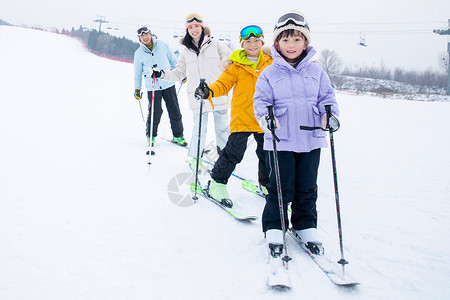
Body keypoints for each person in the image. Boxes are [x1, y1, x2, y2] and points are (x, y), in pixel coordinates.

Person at [253, 12, 339, 261]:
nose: (291, 46)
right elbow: (260, 102)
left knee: (307, 187)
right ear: (277, 44)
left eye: (297, 40)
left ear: (306, 43)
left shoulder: (317, 72)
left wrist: (329, 115)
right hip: (280, 141)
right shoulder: (268, 74)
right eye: (285, 40)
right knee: (280, 188)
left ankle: (304, 225)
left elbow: (328, 99)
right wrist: (265, 119)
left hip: (311, 140)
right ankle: (275, 227)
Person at [195, 25, 272, 207]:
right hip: (243, 118)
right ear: (242, 44)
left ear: (262, 42)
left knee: (267, 154)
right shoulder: (236, 66)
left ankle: (267, 184)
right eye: (248, 42)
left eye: (256, 41)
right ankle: (217, 184)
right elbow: (222, 84)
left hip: (265, 118)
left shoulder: (271, 62)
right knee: (233, 153)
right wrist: (208, 90)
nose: (252, 45)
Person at [152, 13, 230, 171]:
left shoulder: (216, 44)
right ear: (187, 30)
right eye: (190, 27)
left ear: (202, 27)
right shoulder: (185, 51)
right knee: (199, 129)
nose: (194, 30)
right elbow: (179, 74)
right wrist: (162, 74)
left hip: (218, 93)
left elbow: (230, 64)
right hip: (198, 96)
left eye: (196, 26)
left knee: (222, 128)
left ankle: (225, 159)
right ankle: (196, 159)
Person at [133, 26, 187, 146]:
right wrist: (137, 88)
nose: (145, 37)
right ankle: (151, 136)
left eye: (146, 34)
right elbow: (137, 73)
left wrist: (181, 74)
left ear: (150, 34)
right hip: (153, 87)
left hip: (168, 82)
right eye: (142, 36)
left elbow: (173, 61)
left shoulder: (162, 45)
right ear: (140, 39)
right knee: (155, 112)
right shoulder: (138, 53)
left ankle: (178, 136)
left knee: (174, 110)